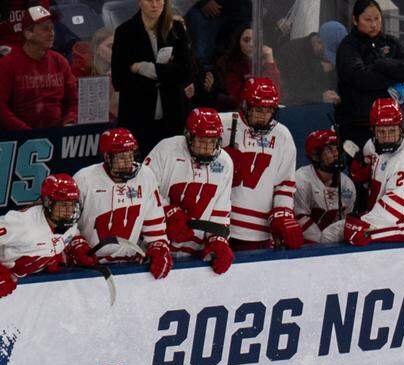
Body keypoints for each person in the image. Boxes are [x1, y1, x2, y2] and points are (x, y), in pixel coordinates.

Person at [144, 107, 235, 274]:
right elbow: (143, 189)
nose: (206, 148)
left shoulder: (224, 162)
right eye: (201, 141)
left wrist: (218, 239)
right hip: (157, 248)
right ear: (188, 136)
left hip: (195, 254)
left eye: (212, 141)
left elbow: (221, 208)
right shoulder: (166, 150)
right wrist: (168, 211)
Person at [74, 128, 173, 279]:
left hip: (130, 266)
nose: (128, 162)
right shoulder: (84, 179)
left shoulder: (145, 176)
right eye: (121, 157)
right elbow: (66, 224)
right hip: (89, 267)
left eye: (130, 155)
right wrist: (76, 245)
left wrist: (159, 248)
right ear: (107, 157)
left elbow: (154, 222)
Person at [220, 77, 303, 251]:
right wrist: (218, 160)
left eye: (269, 110)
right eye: (258, 109)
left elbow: (285, 184)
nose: (264, 116)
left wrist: (283, 213)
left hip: (258, 231)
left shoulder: (282, 136)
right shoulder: (221, 124)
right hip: (219, 225)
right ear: (246, 105)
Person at [343, 98, 404, 244]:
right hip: (383, 210)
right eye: (381, 131)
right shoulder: (371, 145)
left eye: (392, 131)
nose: (387, 138)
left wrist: (364, 223)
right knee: (335, 232)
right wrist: (361, 167)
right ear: (373, 130)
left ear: (401, 128)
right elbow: (363, 177)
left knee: (357, 235)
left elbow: (394, 209)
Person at [111, 0, 193, 155]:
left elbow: (186, 71)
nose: (154, 5)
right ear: (139, 2)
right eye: (149, 0)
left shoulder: (176, 29)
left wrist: (143, 68)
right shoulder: (124, 32)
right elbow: (119, 80)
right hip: (137, 118)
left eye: (158, 0)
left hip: (173, 117)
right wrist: (167, 72)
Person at [334, 0, 404, 148]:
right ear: (355, 20)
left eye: (377, 19)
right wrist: (395, 76)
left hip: (391, 124)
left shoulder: (390, 42)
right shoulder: (348, 46)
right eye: (368, 20)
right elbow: (361, 78)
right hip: (358, 125)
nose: (373, 24)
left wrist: (382, 64)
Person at [0, 174, 95, 298]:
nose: (69, 211)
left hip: (26, 290)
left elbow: (70, 234)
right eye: (63, 205)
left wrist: (77, 245)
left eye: (72, 204)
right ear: (48, 202)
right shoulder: (23, 222)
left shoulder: (69, 223)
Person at [0, 5, 77, 130]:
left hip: (58, 133)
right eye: (45, 29)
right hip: (20, 136)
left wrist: (69, 122)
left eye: (52, 28)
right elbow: (1, 108)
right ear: (28, 34)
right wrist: (26, 132)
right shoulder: (7, 64)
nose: (51, 33)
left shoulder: (60, 61)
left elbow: (74, 100)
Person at [295, 128, 355, 244]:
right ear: (316, 156)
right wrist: (323, 243)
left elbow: (344, 222)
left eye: (337, 149)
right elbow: (300, 220)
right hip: (303, 246)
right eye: (329, 150)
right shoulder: (301, 179)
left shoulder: (347, 185)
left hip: (333, 247)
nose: (336, 154)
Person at [211, 26, 282, 112]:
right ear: (238, 42)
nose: (251, 44)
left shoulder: (267, 62)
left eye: (255, 41)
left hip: (264, 110)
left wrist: (269, 61)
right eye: (246, 40)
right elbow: (239, 99)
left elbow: (275, 92)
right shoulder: (228, 64)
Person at [275, 31, 338, 106]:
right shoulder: (292, 53)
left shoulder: (316, 54)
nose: (328, 59)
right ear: (318, 42)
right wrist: (320, 97)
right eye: (326, 54)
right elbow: (291, 92)